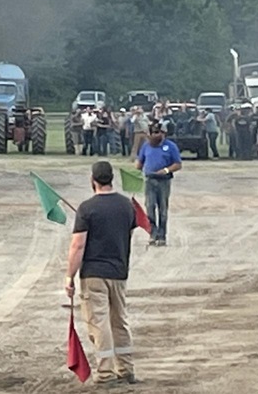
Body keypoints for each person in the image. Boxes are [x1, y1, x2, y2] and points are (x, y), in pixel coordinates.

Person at [64, 161, 139, 386]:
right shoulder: (127, 206)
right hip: (119, 272)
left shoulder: (87, 209)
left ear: (93, 180)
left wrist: (69, 276)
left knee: (99, 323)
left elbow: (78, 246)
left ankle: (105, 373)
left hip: (94, 274)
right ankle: (126, 369)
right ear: (111, 179)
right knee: (120, 321)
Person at [135, 122, 181, 246]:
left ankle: (162, 235)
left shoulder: (170, 146)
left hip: (164, 181)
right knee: (150, 207)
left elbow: (177, 164)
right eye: (151, 133)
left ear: (162, 133)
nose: (154, 135)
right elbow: (139, 164)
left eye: (157, 132)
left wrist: (166, 170)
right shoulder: (146, 146)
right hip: (149, 180)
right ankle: (153, 233)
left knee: (163, 209)